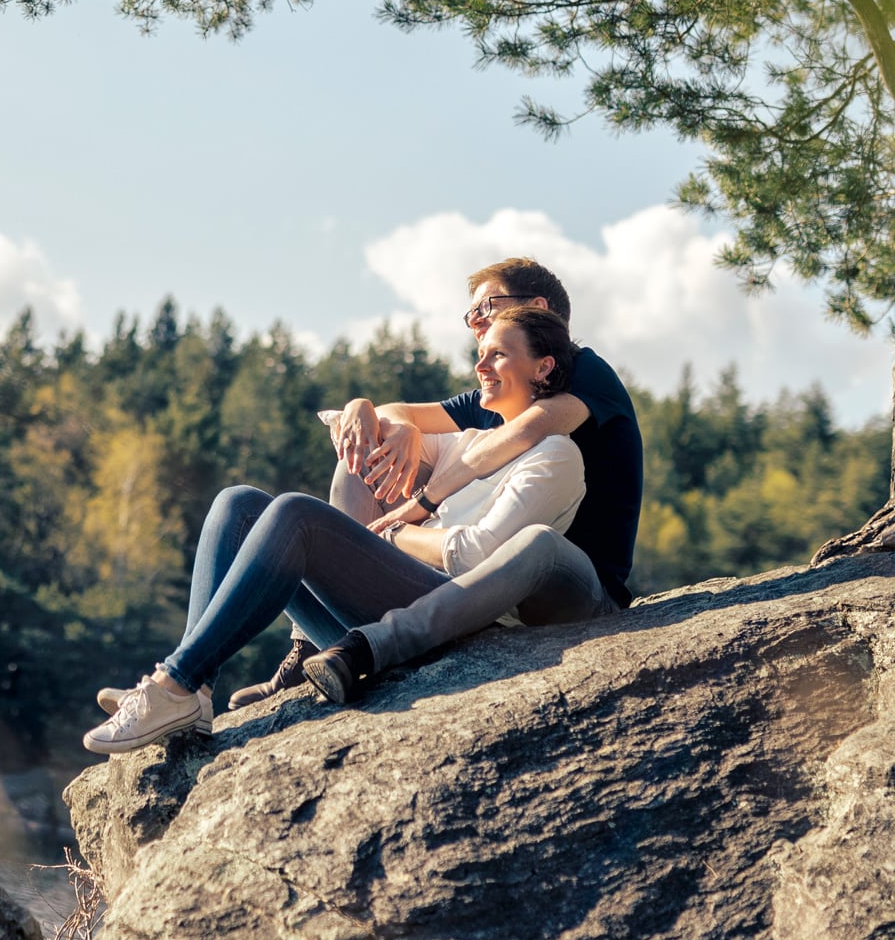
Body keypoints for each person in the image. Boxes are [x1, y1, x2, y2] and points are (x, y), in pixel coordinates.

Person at [82, 305, 590, 754]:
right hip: (386, 604)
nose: (479, 366)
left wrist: (386, 537)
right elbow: (379, 438)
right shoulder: (469, 443)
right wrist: (363, 411)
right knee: (238, 505)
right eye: (479, 353)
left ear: (543, 367)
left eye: (498, 355)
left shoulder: (556, 455)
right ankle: (192, 688)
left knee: (297, 516)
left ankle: (174, 686)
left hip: (454, 625)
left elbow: (478, 555)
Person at [229, 256, 644, 708]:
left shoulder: (584, 372)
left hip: (575, 586)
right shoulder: (496, 387)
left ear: (538, 308)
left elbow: (527, 431)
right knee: (366, 451)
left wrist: (420, 506)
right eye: (471, 318)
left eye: (487, 308)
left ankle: (369, 640)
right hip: (488, 587)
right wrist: (380, 415)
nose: (476, 324)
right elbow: (395, 415)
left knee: (535, 542)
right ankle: (318, 635)